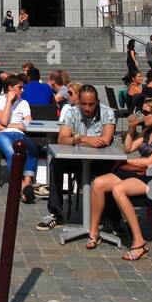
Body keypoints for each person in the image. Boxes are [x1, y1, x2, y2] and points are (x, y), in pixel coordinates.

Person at [85, 99, 152, 259]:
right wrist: (131, 127)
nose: (143, 116)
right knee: (98, 183)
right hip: (140, 171)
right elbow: (128, 148)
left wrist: (124, 161)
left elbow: (150, 161)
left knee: (118, 189)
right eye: (142, 112)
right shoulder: (148, 131)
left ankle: (139, 242)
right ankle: (94, 233)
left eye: (146, 113)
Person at [38, 85, 116, 230]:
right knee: (56, 163)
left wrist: (77, 139)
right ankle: (56, 213)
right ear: (78, 102)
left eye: (91, 104)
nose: (87, 108)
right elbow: (62, 139)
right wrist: (87, 140)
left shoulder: (107, 112)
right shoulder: (72, 112)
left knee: (112, 169)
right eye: (83, 104)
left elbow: (105, 139)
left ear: (97, 102)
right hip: (75, 159)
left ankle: (110, 217)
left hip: (99, 160)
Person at [0, 75, 37, 203]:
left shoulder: (24, 102)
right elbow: (4, 119)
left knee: (32, 148)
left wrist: (8, 125)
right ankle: (22, 186)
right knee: (12, 153)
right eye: (20, 88)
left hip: (18, 133)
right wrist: (9, 102)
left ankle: (27, 184)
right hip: (2, 135)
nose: (22, 90)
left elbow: (28, 124)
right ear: (10, 88)